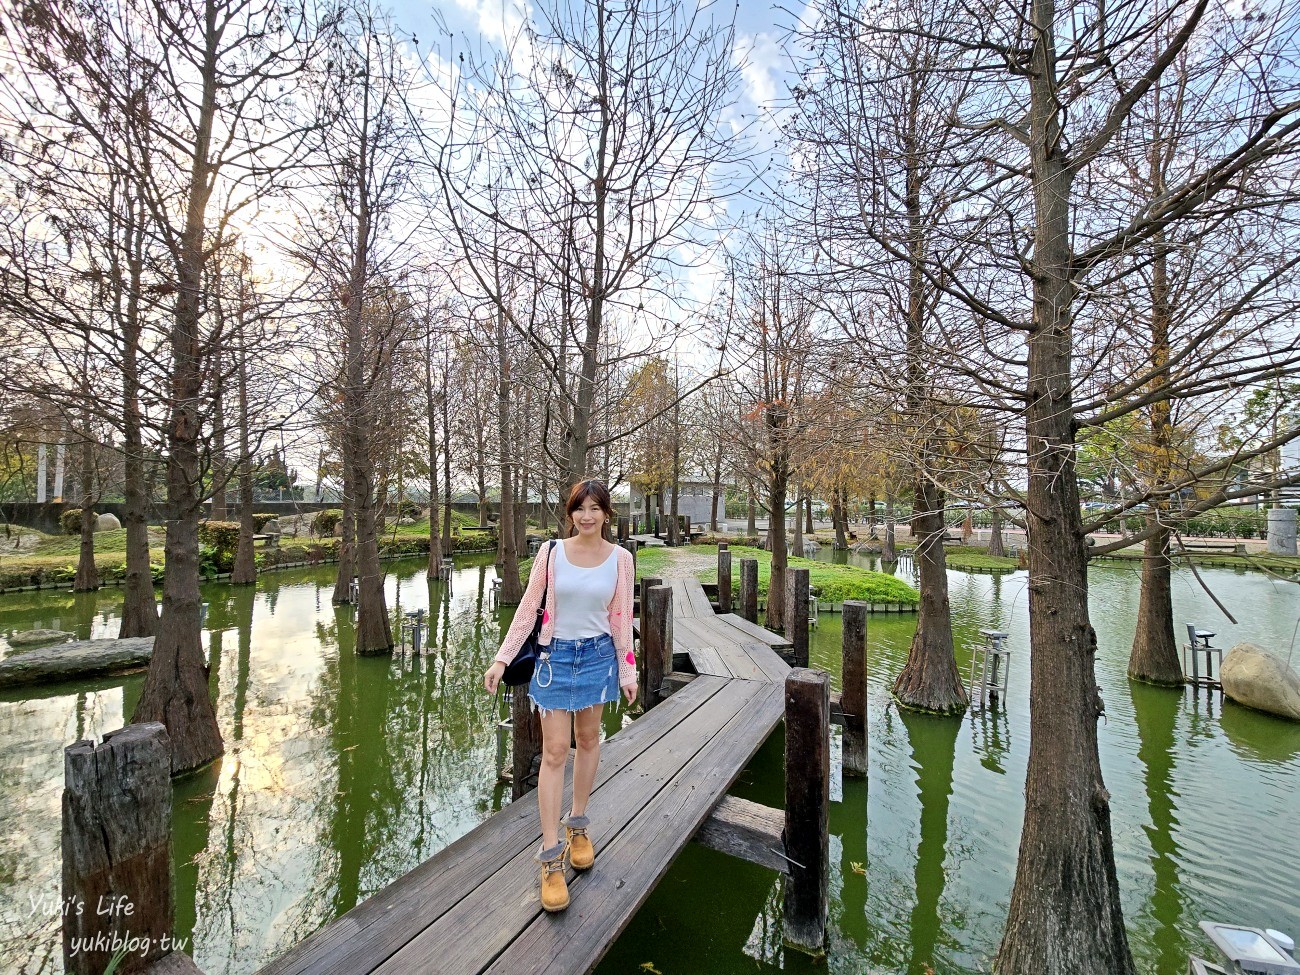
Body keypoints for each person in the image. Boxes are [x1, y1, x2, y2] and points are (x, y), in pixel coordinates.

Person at [482, 479, 637, 913]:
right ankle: (550, 857)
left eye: (595, 508)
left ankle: (579, 825)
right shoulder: (551, 554)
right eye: (579, 508)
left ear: (607, 513)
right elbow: (529, 607)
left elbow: (621, 616)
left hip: (598, 657)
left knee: (589, 741)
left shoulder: (621, 560)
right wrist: (501, 659)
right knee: (554, 752)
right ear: (570, 513)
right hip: (553, 660)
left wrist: (628, 669)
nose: (586, 516)